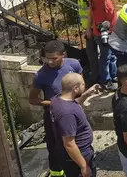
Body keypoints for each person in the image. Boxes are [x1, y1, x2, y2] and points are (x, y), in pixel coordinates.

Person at [28, 41, 85, 177]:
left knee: (77, 141)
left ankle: (80, 167)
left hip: (74, 111)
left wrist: (79, 99)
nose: (49, 62)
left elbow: (81, 83)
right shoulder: (41, 75)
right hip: (53, 116)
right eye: (47, 58)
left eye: (54, 58)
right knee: (55, 147)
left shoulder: (74, 64)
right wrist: (55, 103)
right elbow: (33, 99)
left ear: (63, 55)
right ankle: (56, 173)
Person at [87, 0, 127, 91]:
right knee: (105, 57)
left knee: (111, 56)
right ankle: (106, 81)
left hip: (110, 31)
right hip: (103, 33)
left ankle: (113, 76)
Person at [50, 73, 100, 177]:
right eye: (83, 84)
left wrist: (87, 93)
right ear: (75, 88)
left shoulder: (57, 100)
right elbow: (69, 144)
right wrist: (83, 166)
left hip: (76, 155)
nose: (84, 86)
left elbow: (73, 102)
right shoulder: (67, 113)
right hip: (77, 159)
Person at [70, 0, 97, 85]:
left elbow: (91, 10)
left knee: (92, 54)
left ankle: (95, 77)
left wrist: (88, 29)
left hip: (91, 27)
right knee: (92, 53)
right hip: (91, 26)